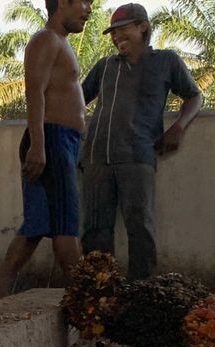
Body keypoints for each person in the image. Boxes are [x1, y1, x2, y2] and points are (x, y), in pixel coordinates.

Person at [80, 4, 204, 280]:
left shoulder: (166, 61)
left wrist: (179, 128)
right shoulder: (106, 66)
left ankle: (142, 293)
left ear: (143, 27)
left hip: (138, 156)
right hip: (95, 159)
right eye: (112, 33)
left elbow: (195, 97)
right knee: (94, 231)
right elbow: (77, 100)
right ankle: (98, 297)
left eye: (122, 30)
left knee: (140, 227)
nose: (115, 37)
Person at [0, 0, 94, 300]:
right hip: (50, 139)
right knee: (65, 227)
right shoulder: (45, 40)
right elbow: (34, 92)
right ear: (62, 4)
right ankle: (88, 307)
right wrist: (38, 145)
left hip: (60, 141)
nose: (89, 9)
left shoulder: (60, 42)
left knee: (36, 226)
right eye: (84, 2)